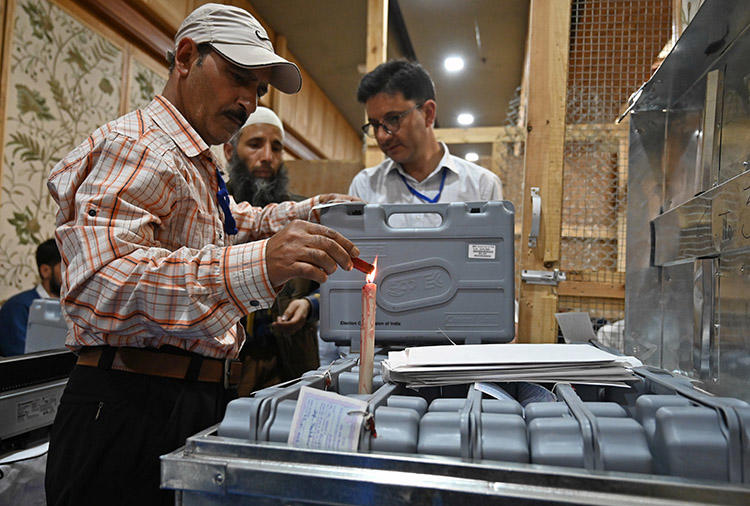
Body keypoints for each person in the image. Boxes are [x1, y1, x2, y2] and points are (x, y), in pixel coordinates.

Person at [44, 4, 359, 505]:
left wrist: (316, 212)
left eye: (258, 88)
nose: (248, 101)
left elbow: (233, 224)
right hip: (128, 406)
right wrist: (260, 264)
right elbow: (101, 280)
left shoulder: (197, 161)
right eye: (238, 76)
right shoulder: (138, 145)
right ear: (186, 57)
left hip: (191, 399)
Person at [224, 106, 321, 395]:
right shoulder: (212, 209)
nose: (267, 157)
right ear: (230, 152)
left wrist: (309, 304)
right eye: (255, 144)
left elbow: (336, 285)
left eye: (276, 148)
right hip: (230, 365)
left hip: (293, 363)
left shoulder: (305, 215)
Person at [348, 59, 504, 227]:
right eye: (375, 125)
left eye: (393, 119)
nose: (382, 136)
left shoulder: (481, 186)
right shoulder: (365, 186)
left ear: (428, 113)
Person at [0, 239, 61, 356]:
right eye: (65, 267)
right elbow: (23, 361)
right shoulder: (17, 307)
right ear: (45, 270)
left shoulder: (74, 306)